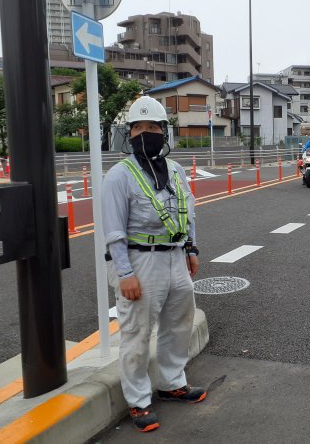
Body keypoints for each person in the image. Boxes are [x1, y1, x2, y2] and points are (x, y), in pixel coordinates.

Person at [102, 96, 205, 433]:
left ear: (164, 132)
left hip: (175, 257)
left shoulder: (175, 171)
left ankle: (172, 382)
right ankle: (139, 401)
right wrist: (125, 273)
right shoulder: (119, 175)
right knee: (136, 332)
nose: (145, 132)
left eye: (152, 127)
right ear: (128, 134)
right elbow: (114, 231)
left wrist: (191, 249)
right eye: (137, 127)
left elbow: (188, 212)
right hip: (139, 261)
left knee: (179, 323)